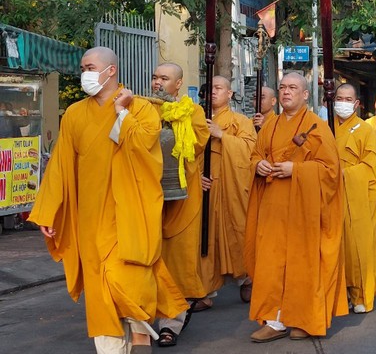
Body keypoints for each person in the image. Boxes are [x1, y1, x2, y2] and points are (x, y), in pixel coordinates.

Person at [28, 47, 188, 353]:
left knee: (132, 287)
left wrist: (122, 113)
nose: (83, 73)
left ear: (110, 71)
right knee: (101, 296)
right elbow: (61, 165)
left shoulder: (142, 108)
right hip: (90, 219)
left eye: (89, 67)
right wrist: (48, 211)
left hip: (130, 216)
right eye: (83, 67)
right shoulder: (75, 113)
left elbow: (144, 148)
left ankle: (141, 342)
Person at [245, 72, 347, 342]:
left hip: (304, 210)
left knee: (303, 264)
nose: (286, 91)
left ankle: (305, 318)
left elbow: (331, 171)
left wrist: (296, 169)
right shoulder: (270, 125)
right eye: (282, 87)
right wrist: (258, 165)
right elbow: (256, 153)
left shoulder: (317, 126)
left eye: (293, 87)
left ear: (305, 95)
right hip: (273, 207)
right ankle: (275, 320)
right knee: (271, 264)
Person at [150, 63, 210, 348]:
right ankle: (141, 318)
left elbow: (197, 144)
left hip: (181, 198)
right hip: (147, 197)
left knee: (177, 262)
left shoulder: (192, 112)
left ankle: (170, 323)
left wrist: (174, 116)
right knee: (145, 257)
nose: (157, 82)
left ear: (178, 84)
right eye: (155, 77)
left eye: (164, 78)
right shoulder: (145, 107)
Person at [197, 76, 258, 310]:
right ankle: (204, 290)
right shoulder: (196, 118)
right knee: (206, 235)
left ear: (230, 94)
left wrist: (222, 136)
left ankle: (247, 277)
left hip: (232, 184)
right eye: (210, 88)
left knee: (237, 230)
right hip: (206, 184)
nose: (213, 92)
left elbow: (251, 150)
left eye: (219, 88)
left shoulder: (240, 121)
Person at [333, 84, 376, 314]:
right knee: (334, 244)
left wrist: (345, 174)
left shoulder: (365, 130)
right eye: (339, 98)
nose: (342, 103)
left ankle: (361, 293)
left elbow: (372, 167)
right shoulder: (325, 127)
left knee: (357, 246)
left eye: (348, 99)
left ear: (356, 104)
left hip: (356, 196)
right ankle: (337, 291)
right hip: (329, 194)